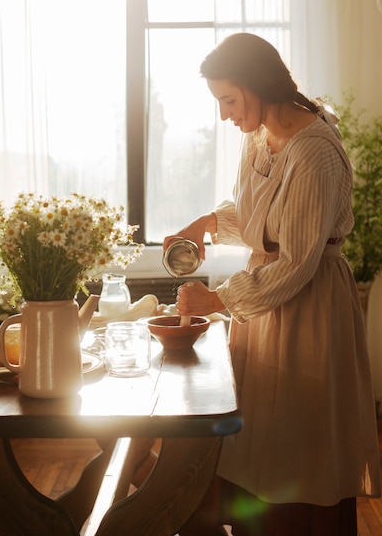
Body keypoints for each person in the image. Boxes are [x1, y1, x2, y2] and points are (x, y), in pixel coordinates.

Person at [163, 33, 381, 536]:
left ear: (258, 84)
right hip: (265, 306)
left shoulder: (316, 151)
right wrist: (208, 224)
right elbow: (263, 219)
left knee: (299, 441)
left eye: (229, 100)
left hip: (308, 307)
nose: (225, 116)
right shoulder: (259, 137)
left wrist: (218, 299)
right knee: (257, 435)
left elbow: (298, 260)